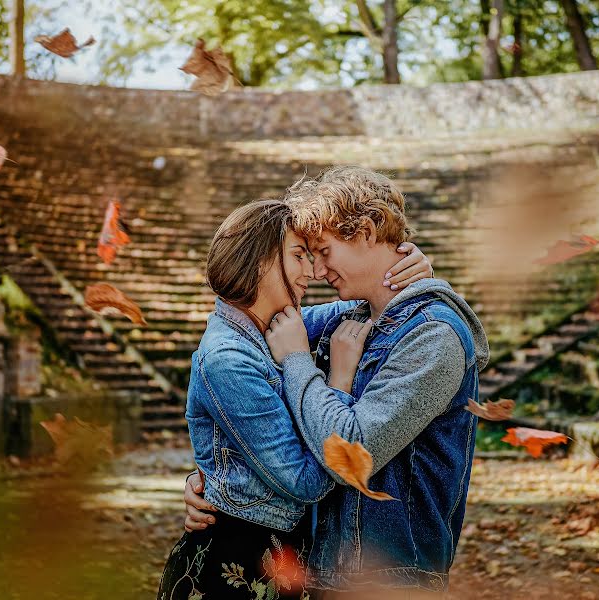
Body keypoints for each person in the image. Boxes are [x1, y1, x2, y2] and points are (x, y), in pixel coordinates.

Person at [186, 167, 490, 599]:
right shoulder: (351, 319)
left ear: (365, 231)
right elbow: (241, 331)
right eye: (306, 254)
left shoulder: (433, 335)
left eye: (324, 251)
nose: (318, 268)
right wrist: (215, 476)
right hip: (320, 568)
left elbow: (352, 452)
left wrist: (296, 360)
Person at [157, 198, 433, 600]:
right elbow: (305, 482)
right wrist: (338, 381)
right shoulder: (227, 359)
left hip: (279, 562)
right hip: (237, 569)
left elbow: (369, 300)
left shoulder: (276, 325)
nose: (313, 271)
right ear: (259, 260)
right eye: (299, 255)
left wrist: (412, 268)